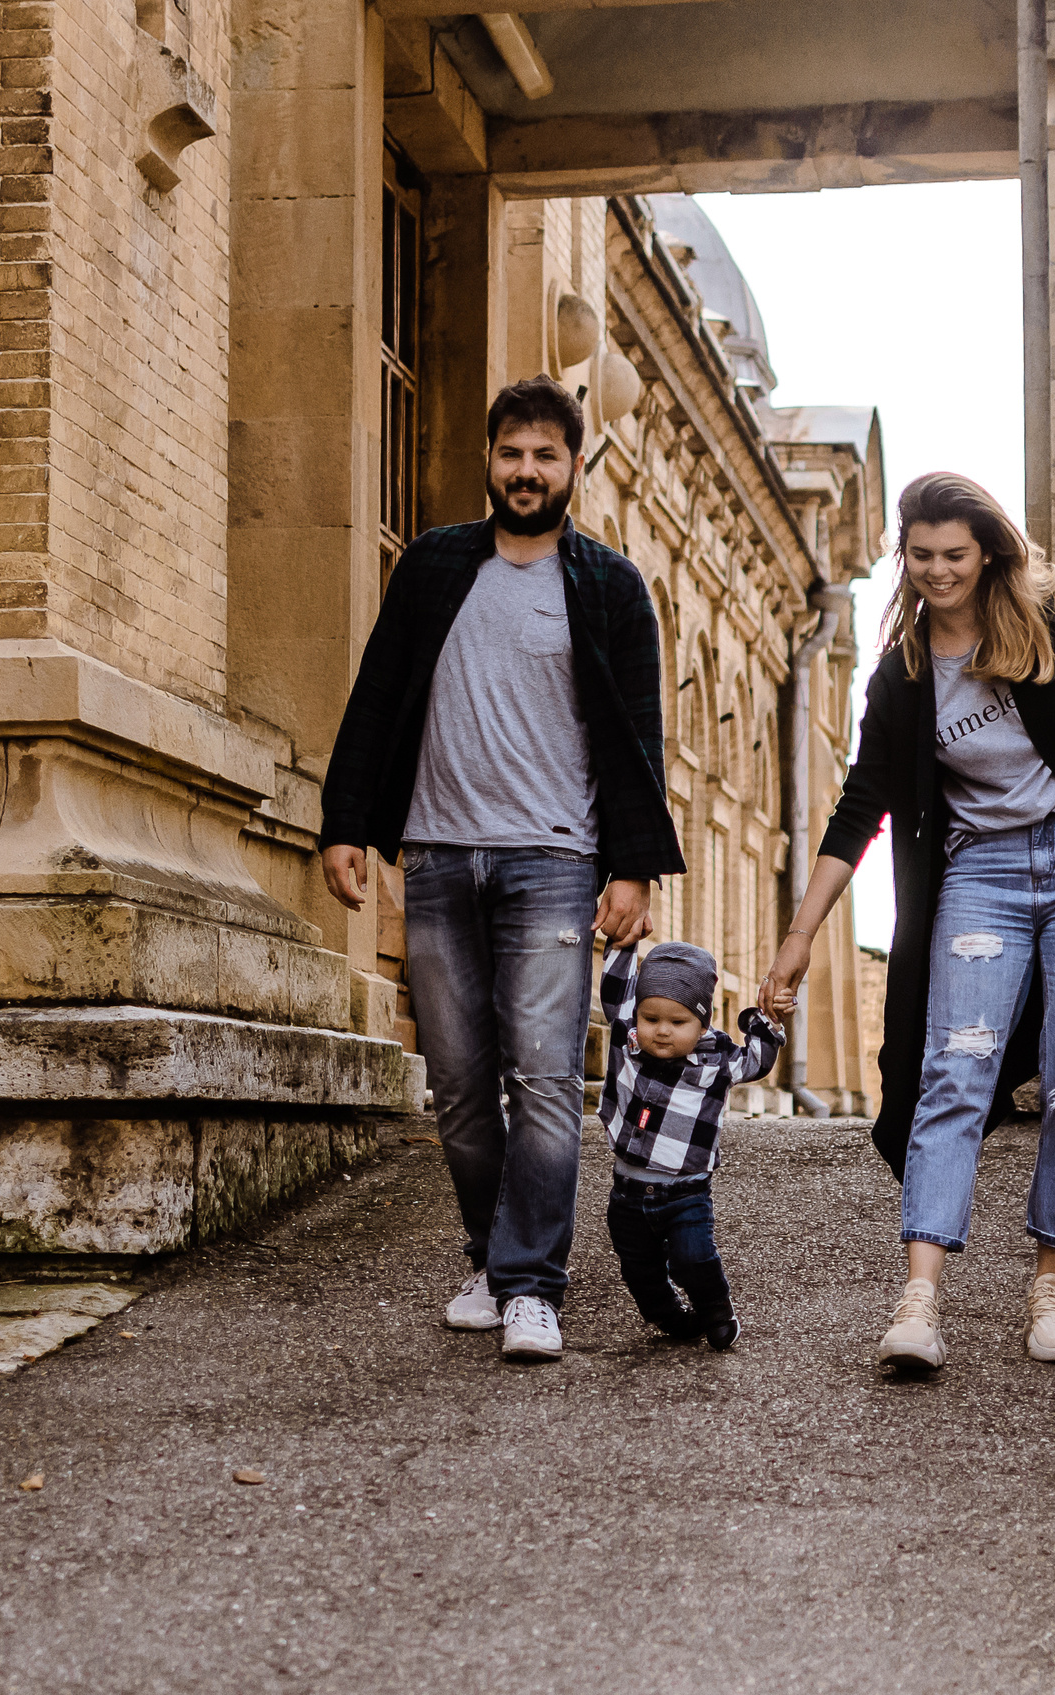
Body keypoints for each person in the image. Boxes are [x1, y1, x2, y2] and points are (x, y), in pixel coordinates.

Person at [762, 472, 1055, 1370]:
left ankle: (1051, 1283)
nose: (939, 571)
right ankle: (920, 1297)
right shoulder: (904, 674)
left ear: (987, 552)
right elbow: (859, 806)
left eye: (956, 554)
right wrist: (800, 938)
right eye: (922, 555)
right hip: (978, 874)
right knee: (955, 1071)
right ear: (902, 557)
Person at [320, 376, 685, 1364]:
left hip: (554, 864)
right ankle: (490, 1253)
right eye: (512, 453)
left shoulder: (608, 587)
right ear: (490, 459)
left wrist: (632, 869)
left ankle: (531, 1284)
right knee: (461, 1082)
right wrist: (346, 823)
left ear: (574, 467)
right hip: (438, 856)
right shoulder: (436, 566)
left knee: (545, 1075)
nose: (527, 471)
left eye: (546, 455)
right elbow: (379, 695)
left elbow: (636, 740)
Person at [597, 939, 782, 1351]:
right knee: (638, 1269)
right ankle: (670, 1317)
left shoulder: (718, 1059)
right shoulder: (627, 1039)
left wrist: (766, 1017)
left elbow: (760, 1059)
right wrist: (623, 942)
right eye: (651, 1018)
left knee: (693, 1257)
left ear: (702, 1024)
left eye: (678, 1022)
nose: (661, 1030)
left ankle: (715, 1309)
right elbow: (614, 990)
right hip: (626, 1194)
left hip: (685, 1193)